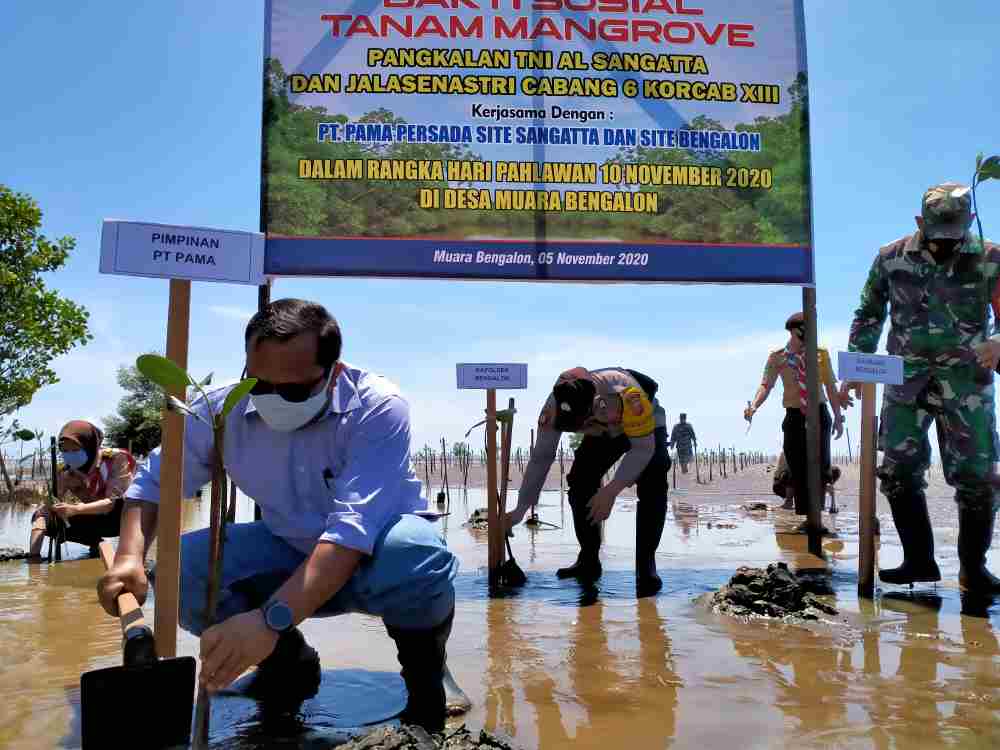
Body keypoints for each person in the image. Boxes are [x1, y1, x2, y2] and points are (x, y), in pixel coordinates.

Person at [97, 299, 459, 730]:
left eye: (292, 391)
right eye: (258, 384)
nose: (272, 401)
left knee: (415, 553)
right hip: (285, 545)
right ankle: (287, 665)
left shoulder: (377, 405)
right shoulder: (216, 410)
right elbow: (155, 482)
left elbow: (352, 530)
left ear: (334, 374)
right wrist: (129, 558)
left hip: (376, 559)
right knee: (184, 568)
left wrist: (270, 619)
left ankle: (428, 682)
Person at [841, 183, 1000, 593]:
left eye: (955, 236)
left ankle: (973, 570)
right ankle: (918, 562)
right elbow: (869, 312)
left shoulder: (990, 257)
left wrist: (998, 341)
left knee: (978, 477)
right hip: (903, 382)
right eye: (939, 236)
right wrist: (857, 362)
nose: (948, 245)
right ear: (919, 223)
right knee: (897, 473)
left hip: (967, 384)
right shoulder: (891, 258)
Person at [505, 367, 669, 597]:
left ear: (599, 403)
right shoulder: (553, 409)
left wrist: (611, 490)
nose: (582, 428)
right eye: (577, 427)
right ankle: (588, 559)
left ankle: (646, 565)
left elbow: (643, 449)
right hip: (603, 432)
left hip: (645, 426)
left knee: (655, 476)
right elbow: (541, 458)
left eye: (585, 422)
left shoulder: (629, 395)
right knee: (581, 481)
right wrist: (520, 508)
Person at [744, 313, 844, 526]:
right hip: (794, 416)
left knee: (820, 466)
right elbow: (766, 385)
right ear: (794, 330)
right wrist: (754, 406)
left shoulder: (820, 354)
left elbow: (830, 387)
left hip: (818, 413)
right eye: (807, 328)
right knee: (797, 467)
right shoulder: (777, 357)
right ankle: (807, 515)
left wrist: (838, 417)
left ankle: (814, 519)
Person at [28, 421, 136, 560]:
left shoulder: (115, 459)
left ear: (89, 447)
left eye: (75, 450)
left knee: (120, 505)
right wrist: (34, 550)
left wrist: (76, 509)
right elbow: (47, 507)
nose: (70, 455)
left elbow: (112, 503)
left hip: (121, 520)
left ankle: (130, 554)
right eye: (65, 451)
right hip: (93, 518)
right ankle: (95, 543)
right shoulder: (66, 472)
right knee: (50, 521)